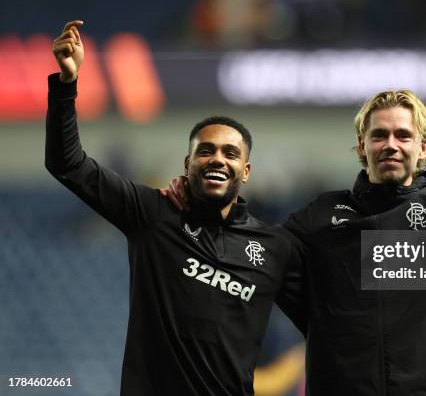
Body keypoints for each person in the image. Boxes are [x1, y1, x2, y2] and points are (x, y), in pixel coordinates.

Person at [166, 35, 426, 395]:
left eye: (403, 135)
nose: (391, 145)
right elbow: (254, 252)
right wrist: (200, 204)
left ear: (424, 147)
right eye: (379, 135)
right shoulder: (319, 218)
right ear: (361, 146)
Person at [45, 20, 305, 396]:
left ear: (245, 171)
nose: (217, 159)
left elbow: (332, 315)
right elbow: (67, 164)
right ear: (187, 164)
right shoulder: (152, 214)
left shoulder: (274, 247)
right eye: (206, 150)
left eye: (230, 153)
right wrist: (66, 85)